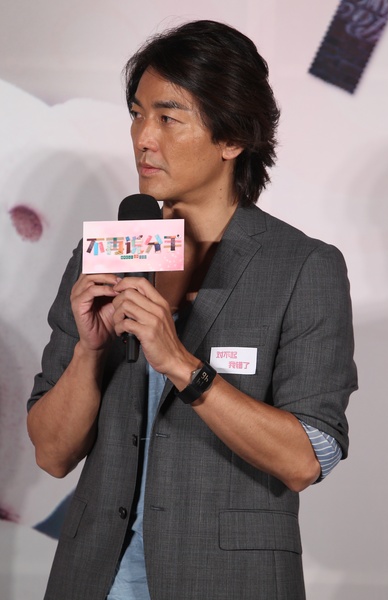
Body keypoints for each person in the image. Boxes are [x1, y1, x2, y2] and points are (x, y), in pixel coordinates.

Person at [27, 19, 357, 600]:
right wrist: (89, 351)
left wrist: (181, 364)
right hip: (95, 579)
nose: (142, 138)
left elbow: (308, 457)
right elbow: (52, 454)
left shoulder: (303, 265)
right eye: (137, 114)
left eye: (168, 117)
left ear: (232, 138)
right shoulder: (105, 254)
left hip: (229, 582)